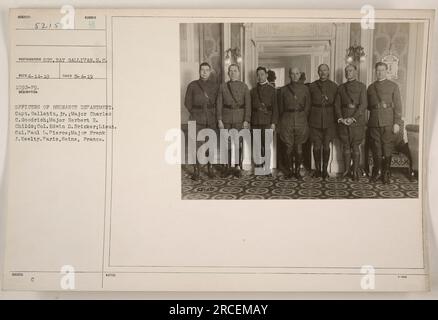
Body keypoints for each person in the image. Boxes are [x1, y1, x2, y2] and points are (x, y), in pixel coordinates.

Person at [367, 62, 403, 184]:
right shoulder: (371, 87)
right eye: (377, 70)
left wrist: (397, 122)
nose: (379, 72)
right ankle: (376, 172)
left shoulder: (393, 86)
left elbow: (398, 106)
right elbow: (368, 106)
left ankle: (386, 173)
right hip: (374, 121)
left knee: (387, 147)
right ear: (375, 71)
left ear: (386, 71)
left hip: (389, 121)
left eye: (382, 70)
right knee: (376, 148)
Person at [184, 62, 219, 180]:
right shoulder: (192, 85)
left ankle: (210, 169)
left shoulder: (215, 86)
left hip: (211, 119)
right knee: (196, 145)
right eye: (202, 70)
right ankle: (197, 171)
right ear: (199, 71)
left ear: (210, 72)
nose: (204, 72)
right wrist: (196, 113)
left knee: (211, 145)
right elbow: (187, 103)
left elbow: (218, 102)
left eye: (206, 70)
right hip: (196, 119)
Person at [217, 64, 251, 178]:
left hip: (239, 118)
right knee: (225, 143)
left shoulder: (244, 86)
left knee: (238, 143)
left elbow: (248, 105)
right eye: (230, 71)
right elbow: (219, 104)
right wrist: (219, 119)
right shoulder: (223, 87)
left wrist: (246, 120)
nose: (232, 73)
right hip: (226, 118)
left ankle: (237, 166)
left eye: (235, 71)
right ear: (228, 73)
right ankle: (227, 167)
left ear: (239, 72)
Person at [335, 64, 367, 181]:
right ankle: (346, 170)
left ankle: (355, 172)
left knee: (355, 146)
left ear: (355, 72)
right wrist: (341, 118)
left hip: (356, 121)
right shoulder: (340, 88)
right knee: (346, 146)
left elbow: (363, 105)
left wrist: (353, 118)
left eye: (351, 70)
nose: (348, 73)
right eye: (346, 71)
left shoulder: (362, 86)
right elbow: (337, 105)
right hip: (343, 121)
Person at [278, 67, 311, 180]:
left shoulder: (305, 89)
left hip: (301, 119)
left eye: (297, 73)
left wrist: (301, 116)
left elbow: (308, 106)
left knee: (299, 147)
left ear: (300, 74)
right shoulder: (283, 90)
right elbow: (280, 108)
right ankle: (289, 171)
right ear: (289, 75)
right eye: (292, 74)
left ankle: (297, 171)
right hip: (287, 119)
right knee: (288, 147)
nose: (295, 76)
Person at [308, 64, 338, 179]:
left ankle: (324, 170)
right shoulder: (312, 86)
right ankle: (318, 170)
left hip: (329, 120)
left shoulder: (334, 86)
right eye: (320, 70)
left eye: (325, 70)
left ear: (328, 71)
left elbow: (337, 105)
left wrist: (336, 121)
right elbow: (308, 104)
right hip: (314, 120)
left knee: (326, 146)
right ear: (317, 72)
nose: (322, 72)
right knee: (316, 146)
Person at [250, 66, 278, 174]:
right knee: (256, 147)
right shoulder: (252, 91)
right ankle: (258, 168)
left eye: (262, 74)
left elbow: (276, 108)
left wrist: (274, 123)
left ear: (266, 75)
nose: (260, 77)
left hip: (267, 122)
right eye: (258, 75)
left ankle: (267, 168)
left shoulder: (272, 90)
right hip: (256, 122)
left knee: (266, 146)